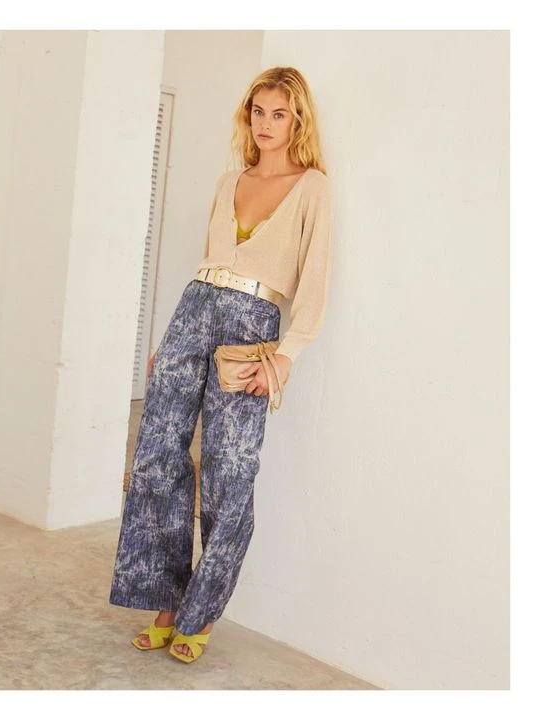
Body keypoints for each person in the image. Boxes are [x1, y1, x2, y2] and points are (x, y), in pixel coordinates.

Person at [108, 66, 334, 664]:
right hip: (193, 313)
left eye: (279, 113)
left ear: (298, 120)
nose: (266, 124)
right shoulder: (228, 180)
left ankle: (200, 611)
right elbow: (207, 264)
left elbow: (314, 284)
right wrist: (170, 342)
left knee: (229, 471)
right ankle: (165, 599)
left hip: (252, 329)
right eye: (258, 111)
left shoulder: (312, 187)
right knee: (157, 455)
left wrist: (285, 356)